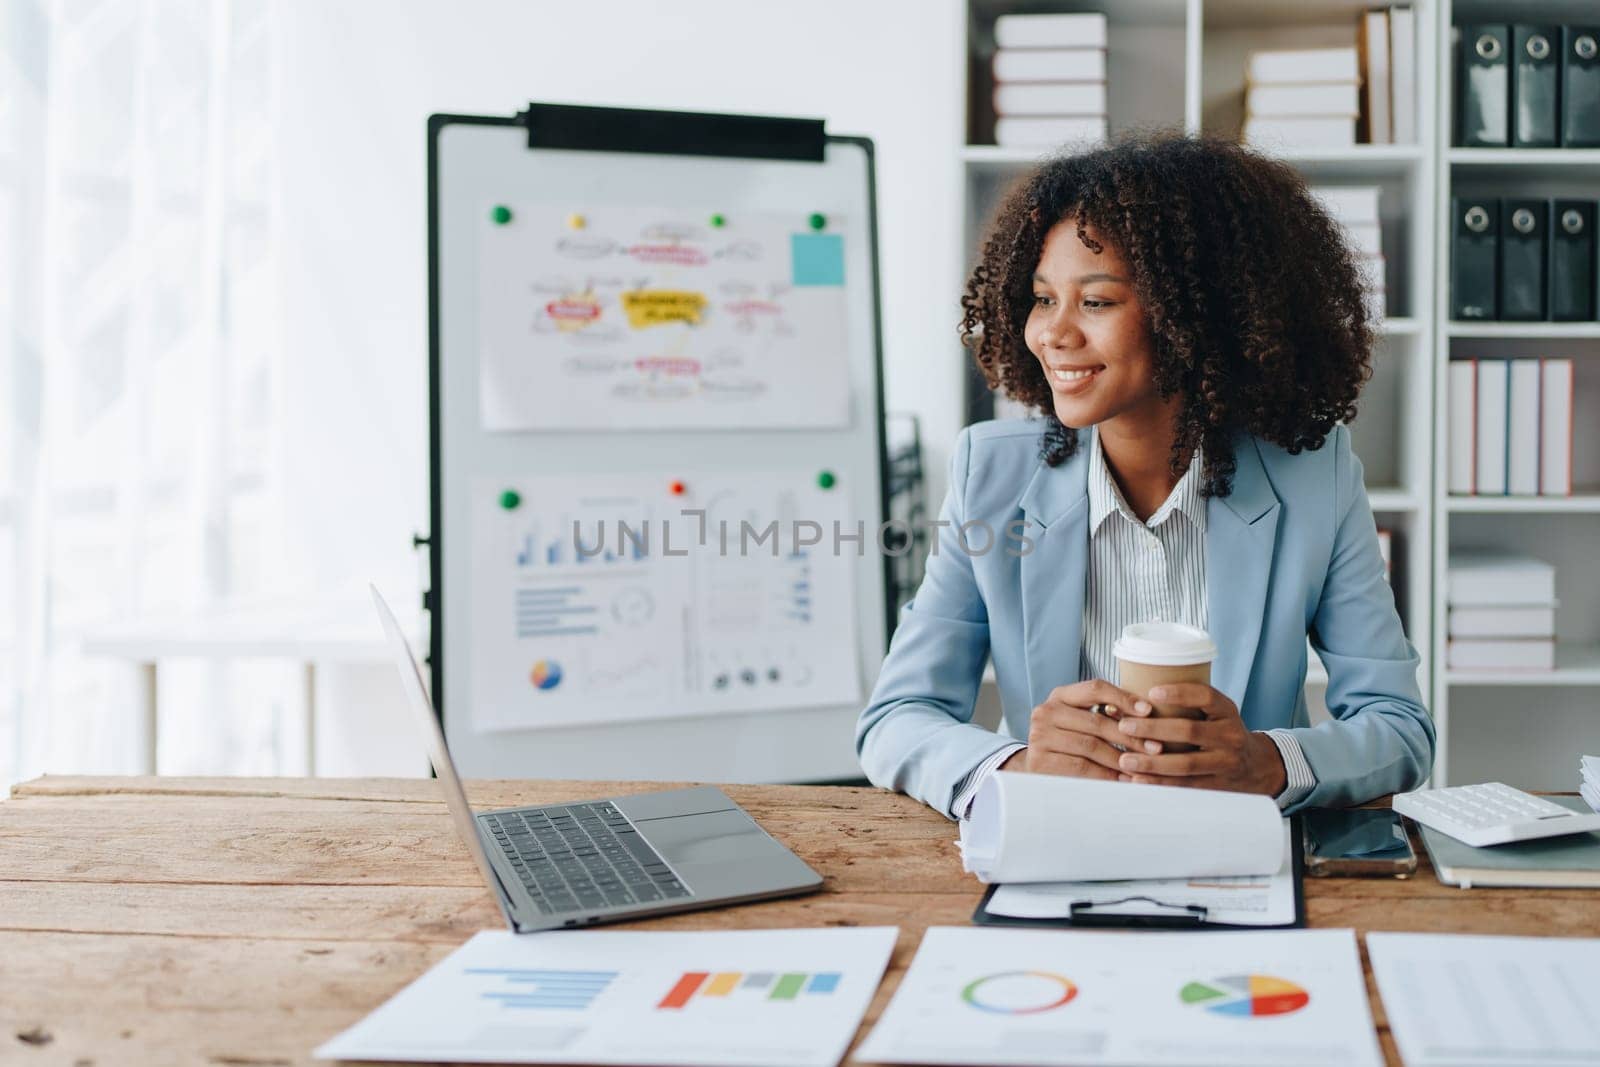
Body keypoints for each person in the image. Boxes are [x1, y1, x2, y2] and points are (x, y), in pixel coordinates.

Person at [856, 133, 1434, 820]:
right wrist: (1017, 765)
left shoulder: (1313, 476)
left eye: (1096, 302)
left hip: (1244, 861)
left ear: (1197, 316)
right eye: (1043, 299)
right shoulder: (991, 474)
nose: (1052, 334)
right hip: (1054, 848)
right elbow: (896, 716)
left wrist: (1266, 761)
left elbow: (1399, 726)